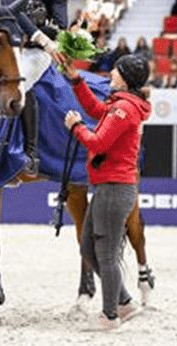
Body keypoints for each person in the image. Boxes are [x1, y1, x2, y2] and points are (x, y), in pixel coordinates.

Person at [62, 54, 152, 331]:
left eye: (116, 70)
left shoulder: (123, 109)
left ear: (124, 77)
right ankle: (124, 302)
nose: (111, 72)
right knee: (89, 247)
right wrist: (76, 80)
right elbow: (95, 110)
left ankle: (110, 316)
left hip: (114, 188)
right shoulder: (121, 106)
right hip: (107, 187)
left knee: (107, 253)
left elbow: (98, 142)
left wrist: (75, 127)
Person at [0, 0, 68, 175]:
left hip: (38, 52)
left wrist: (39, 35)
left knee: (20, 83)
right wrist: (39, 29)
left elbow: (60, 26)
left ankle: (30, 153)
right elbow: (11, 11)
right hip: (8, 44)